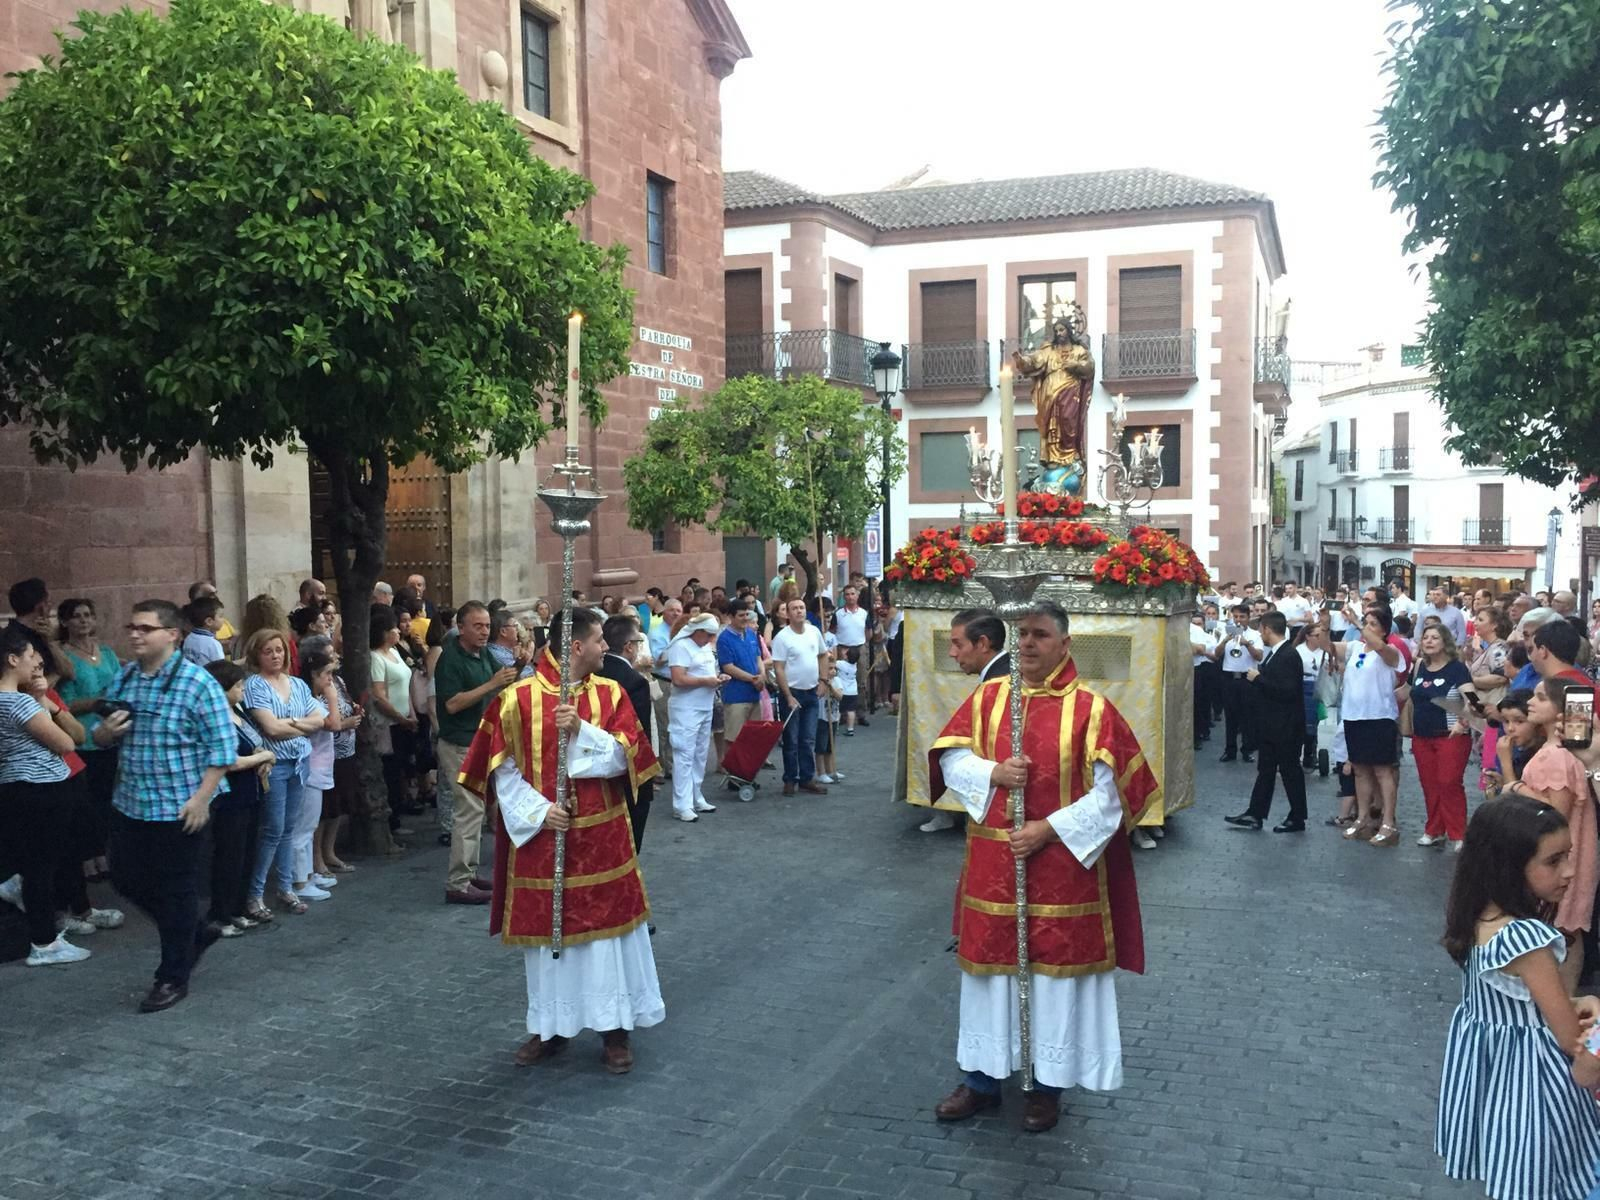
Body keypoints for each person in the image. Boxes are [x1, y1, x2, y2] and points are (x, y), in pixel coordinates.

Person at [928, 600, 1157, 1134]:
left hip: (1062, 871)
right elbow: (950, 759)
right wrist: (994, 772)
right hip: (995, 864)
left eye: (1039, 635)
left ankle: (1045, 1087)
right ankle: (982, 1079)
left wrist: (1046, 829)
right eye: (1022, 635)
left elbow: (1115, 797)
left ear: (1064, 643)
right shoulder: (989, 698)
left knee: (1053, 982)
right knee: (990, 976)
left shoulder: (1093, 710)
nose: (1028, 644)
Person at [457, 606, 663, 1073]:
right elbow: (500, 770)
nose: (606, 647)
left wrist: (582, 731)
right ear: (574, 646)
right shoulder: (518, 700)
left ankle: (615, 1030)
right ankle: (551, 1027)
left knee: (604, 943)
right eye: (597, 640)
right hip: (546, 839)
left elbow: (631, 760)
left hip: (602, 839)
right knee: (551, 943)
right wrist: (539, 810)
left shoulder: (611, 694)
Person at [1436, 796, 1600, 1200]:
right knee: (1549, 1176)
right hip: (1535, 1082)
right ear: (1509, 866)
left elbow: (1524, 1003)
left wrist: (1577, 1004)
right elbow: (1567, 1037)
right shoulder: (1526, 940)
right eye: (1554, 861)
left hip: (1496, 1075)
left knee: (1514, 1169)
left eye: (1569, 856)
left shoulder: (1477, 917)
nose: (1568, 871)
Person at [94, 600, 237, 1011]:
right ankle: (192, 931)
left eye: (145, 628)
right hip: (132, 802)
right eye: (132, 627)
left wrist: (201, 798)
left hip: (180, 807)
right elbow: (103, 738)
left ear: (172, 635)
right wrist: (104, 732)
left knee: (177, 891)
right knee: (125, 880)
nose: (135, 634)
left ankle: (171, 977)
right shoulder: (126, 678)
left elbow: (222, 748)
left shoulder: (198, 684)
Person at [0, 622, 92, 966]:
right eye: (29, 656)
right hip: (40, 789)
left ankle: (39, 927)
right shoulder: (18, 705)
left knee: (36, 864)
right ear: (12, 660)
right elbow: (66, 742)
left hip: (17, 786)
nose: (35, 661)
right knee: (41, 868)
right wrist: (45, 705)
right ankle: (44, 942)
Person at [1505, 678, 1599, 993]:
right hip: (1562, 857)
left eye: (1541, 697)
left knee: (1563, 932)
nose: (1531, 701)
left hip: (1558, 859)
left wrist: (1513, 783)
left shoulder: (1557, 756)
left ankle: (1559, 1005)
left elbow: (1554, 813)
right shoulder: (1558, 751)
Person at [435, 601, 516, 904]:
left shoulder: (483, 653)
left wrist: (516, 671)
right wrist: (491, 684)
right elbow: (452, 704)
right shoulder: (449, 660)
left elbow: (504, 680)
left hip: (480, 740)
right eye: (478, 626)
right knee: (468, 810)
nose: (485, 632)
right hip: (458, 743)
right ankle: (457, 882)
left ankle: (468, 874)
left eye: (487, 626)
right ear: (461, 627)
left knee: (477, 809)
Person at [242, 628, 323, 921]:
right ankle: (255, 894)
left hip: (300, 761)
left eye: (279, 650)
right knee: (273, 829)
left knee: (289, 828)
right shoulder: (255, 685)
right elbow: (270, 728)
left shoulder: (298, 684)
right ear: (257, 655)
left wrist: (290, 722)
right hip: (274, 764)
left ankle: (286, 888)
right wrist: (300, 724)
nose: (275, 655)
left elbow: (320, 719)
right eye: (268, 651)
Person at [202, 660, 275, 937]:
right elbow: (228, 761)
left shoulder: (238, 711)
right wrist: (262, 756)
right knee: (228, 856)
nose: (243, 689)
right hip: (230, 796)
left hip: (252, 791)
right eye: (237, 685)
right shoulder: (215, 718)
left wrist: (264, 757)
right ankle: (220, 912)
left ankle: (238, 907)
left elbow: (254, 742)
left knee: (246, 853)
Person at [55, 597, 120, 883]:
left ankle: (103, 854)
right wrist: (94, 702)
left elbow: (119, 685)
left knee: (105, 800)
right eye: (77, 616)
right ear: (66, 621)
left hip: (109, 734)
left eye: (87, 615)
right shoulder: (63, 655)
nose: (83, 620)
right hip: (81, 736)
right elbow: (63, 703)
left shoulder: (106, 652)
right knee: (84, 803)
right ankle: (87, 857)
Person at [1224, 612, 1307, 832]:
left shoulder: (1288, 655)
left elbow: (1287, 691)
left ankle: (1297, 817)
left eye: (1262, 630)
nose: (1261, 634)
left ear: (1268, 629)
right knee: (1266, 770)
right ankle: (1255, 813)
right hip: (1272, 725)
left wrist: (1258, 679)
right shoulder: (1276, 653)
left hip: (1285, 726)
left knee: (1290, 771)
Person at [1337, 608, 1406, 847]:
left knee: (1382, 770)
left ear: (1384, 630)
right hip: (1354, 716)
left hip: (1379, 716)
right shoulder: (1355, 648)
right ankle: (1363, 817)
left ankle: (1388, 821)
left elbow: (1381, 649)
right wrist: (1323, 625)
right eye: (1366, 623)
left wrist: (1357, 622)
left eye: (1372, 624)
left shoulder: (1391, 651)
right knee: (1360, 769)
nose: (1366, 628)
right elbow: (1329, 647)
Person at [1410, 625, 1475, 853]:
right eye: (1425, 637)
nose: (1428, 641)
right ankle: (1434, 830)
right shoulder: (1419, 666)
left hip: (1450, 735)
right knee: (1429, 784)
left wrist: (1463, 720)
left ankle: (1459, 833)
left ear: (1445, 641)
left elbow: (1472, 698)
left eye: (1435, 637)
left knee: (1449, 782)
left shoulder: (1457, 669)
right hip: (1421, 736)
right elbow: (1407, 693)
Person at [597, 615, 655, 851]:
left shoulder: (594, 674)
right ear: (629, 646)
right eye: (638, 642)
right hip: (628, 774)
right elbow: (639, 734)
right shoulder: (633, 681)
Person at [665, 613, 725, 822]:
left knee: (700, 753)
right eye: (708, 635)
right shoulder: (680, 646)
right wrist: (705, 681)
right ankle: (681, 804)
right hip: (685, 709)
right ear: (697, 632)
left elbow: (709, 671)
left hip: (705, 706)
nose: (710, 639)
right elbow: (678, 678)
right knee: (684, 755)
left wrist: (718, 678)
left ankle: (696, 795)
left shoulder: (705, 646)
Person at [771, 598, 828, 797]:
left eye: (801, 608)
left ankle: (807, 778)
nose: (799, 611)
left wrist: (823, 680)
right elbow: (778, 667)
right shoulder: (782, 637)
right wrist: (787, 695)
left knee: (808, 738)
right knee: (791, 740)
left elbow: (823, 655)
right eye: (794, 608)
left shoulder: (814, 632)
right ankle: (790, 779)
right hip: (792, 693)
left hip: (812, 691)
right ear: (787, 614)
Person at [715, 599, 765, 750]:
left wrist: (762, 674)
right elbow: (728, 667)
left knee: (754, 736)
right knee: (734, 738)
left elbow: (758, 657)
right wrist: (752, 678)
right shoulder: (724, 639)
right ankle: (734, 771)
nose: (745, 618)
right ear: (731, 616)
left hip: (754, 692)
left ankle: (748, 770)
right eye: (741, 615)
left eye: (746, 614)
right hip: (736, 695)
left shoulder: (750, 634)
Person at [1217, 602, 1263, 763]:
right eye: (1235, 616)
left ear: (1248, 618)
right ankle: (1230, 750)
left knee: (1247, 717)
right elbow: (1216, 654)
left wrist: (1247, 643)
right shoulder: (1225, 632)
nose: (1238, 620)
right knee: (1230, 717)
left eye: (1242, 617)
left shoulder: (1255, 635)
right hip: (1229, 677)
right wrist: (1224, 641)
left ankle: (1247, 750)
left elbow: (1259, 657)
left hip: (1247, 679)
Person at [1295, 622, 1330, 769]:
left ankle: (1310, 752)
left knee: (1312, 722)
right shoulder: (1298, 650)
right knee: (1299, 722)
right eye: (1317, 635)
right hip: (1302, 687)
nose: (1320, 638)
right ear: (1308, 637)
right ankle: (1295, 753)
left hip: (1318, 687)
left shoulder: (1325, 652)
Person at [181, 597, 228, 666]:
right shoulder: (213, 644)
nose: (223, 620)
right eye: (221, 616)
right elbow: (222, 669)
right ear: (209, 621)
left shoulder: (189, 638)